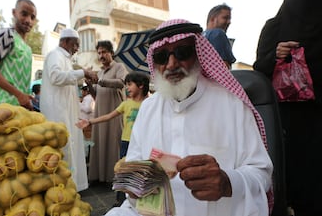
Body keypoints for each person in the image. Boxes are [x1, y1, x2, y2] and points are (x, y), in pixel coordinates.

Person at [105, 19, 273, 216]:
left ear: (198, 54)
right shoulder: (148, 108)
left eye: (182, 52)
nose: (171, 64)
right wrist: (133, 182)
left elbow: (261, 174)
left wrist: (228, 182)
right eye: (161, 56)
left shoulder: (231, 104)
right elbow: (134, 177)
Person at [253, 0, 322, 215]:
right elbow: (259, 69)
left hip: (315, 118)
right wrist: (276, 55)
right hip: (283, 120)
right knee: (284, 176)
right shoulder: (273, 28)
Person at [77, 71, 150, 206]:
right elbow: (108, 116)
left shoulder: (150, 103)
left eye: (129, 84)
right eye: (126, 85)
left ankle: (140, 200)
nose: (127, 88)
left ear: (141, 85)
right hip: (126, 142)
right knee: (123, 171)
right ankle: (120, 200)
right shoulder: (126, 104)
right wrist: (90, 122)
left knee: (140, 172)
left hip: (143, 144)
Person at [40, 28, 97, 192]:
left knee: (71, 150)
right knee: (63, 151)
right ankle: (61, 190)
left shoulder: (66, 59)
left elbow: (67, 79)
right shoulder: (55, 55)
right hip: (57, 114)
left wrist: (82, 75)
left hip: (68, 113)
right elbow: (56, 77)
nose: (77, 48)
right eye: (75, 44)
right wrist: (82, 72)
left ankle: (71, 188)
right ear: (64, 41)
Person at [0, 0, 37, 110]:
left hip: (18, 109)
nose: (28, 20)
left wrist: (25, 98)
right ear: (14, 13)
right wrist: (19, 95)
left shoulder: (27, 48)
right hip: (1, 105)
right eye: (24, 14)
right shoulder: (6, 34)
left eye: (32, 17)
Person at [88, 40, 129, 184]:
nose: (101, 55)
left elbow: (122, 82)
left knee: (113, 143)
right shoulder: (99, 72)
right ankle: (100, 177)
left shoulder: (119, 67)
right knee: (100, 142)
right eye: (99, 53)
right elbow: (96, 96)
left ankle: (114, 177)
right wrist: (89, 84)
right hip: (100, 112)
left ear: (111, 53)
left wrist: (100, 81)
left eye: (104, 52)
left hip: (114, 112)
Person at [203, 4, 236, 69]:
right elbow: (223, 66)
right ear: (212, 19)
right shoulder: (218, 34)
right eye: (225, 18)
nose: (229, 22)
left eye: (229, 19)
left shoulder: (201, 36)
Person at [79, 84, 95, 159]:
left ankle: (86, 156)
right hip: (87, 121)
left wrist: (79, 104)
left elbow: (88, 109)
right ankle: (88, 155)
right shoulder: (89, 98)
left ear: (85, 91)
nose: (81, 92)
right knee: (87, 140)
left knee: (86, 140)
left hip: (86, 121)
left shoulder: (88, 98)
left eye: (82, 91)